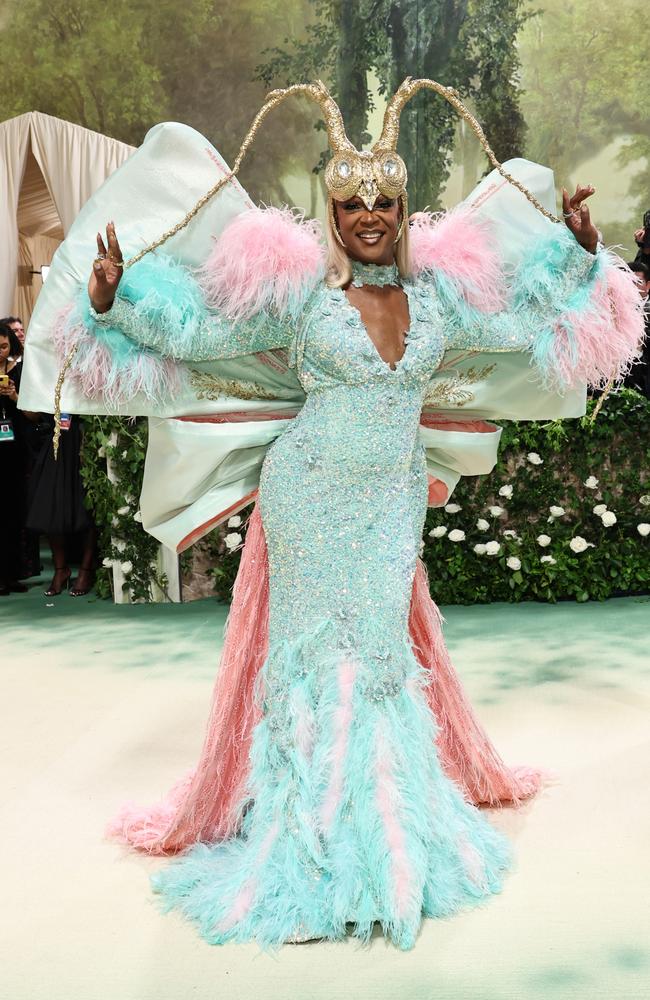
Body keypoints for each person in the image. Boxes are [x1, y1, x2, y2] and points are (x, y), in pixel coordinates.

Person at [29, 79, 643, 949]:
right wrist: (112, 298)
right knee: (319, 665)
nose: (368, 216)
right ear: (332, 211)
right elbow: (200, 336)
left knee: (381, 662)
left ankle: (386, 845)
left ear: (400, 211)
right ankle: (308, 853)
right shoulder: (304, 298)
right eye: (352, 203)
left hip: (391, 504)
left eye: (383, 204)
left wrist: (583, 256)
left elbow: (518, 323)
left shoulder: (435, 301)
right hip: (309, 497)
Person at [0, 325, 29, 594]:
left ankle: (12, 573)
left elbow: (34, 414)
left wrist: (16, 396)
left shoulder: (20, 372)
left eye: (4, 347)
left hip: (15, 451)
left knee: (13, 513)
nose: (0, 353)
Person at [623, 261, 650, 396]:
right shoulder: (614, 310)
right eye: (629, 283)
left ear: (648, 285)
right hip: (620, 372)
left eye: (637, 282)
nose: (633, 288)